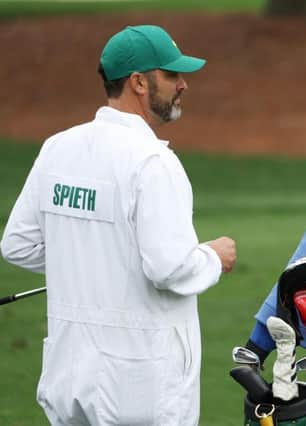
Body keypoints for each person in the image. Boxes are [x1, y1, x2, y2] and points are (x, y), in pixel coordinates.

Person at [0, 25, 236, 425]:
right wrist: (213, 257)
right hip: (140, 383)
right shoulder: (153, 162)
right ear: (139, 82)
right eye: (172, 75)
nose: (183, 85)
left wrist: (94, 257)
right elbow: (169, 268)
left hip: (66, 374)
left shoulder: (59, 147)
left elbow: (18, 244)